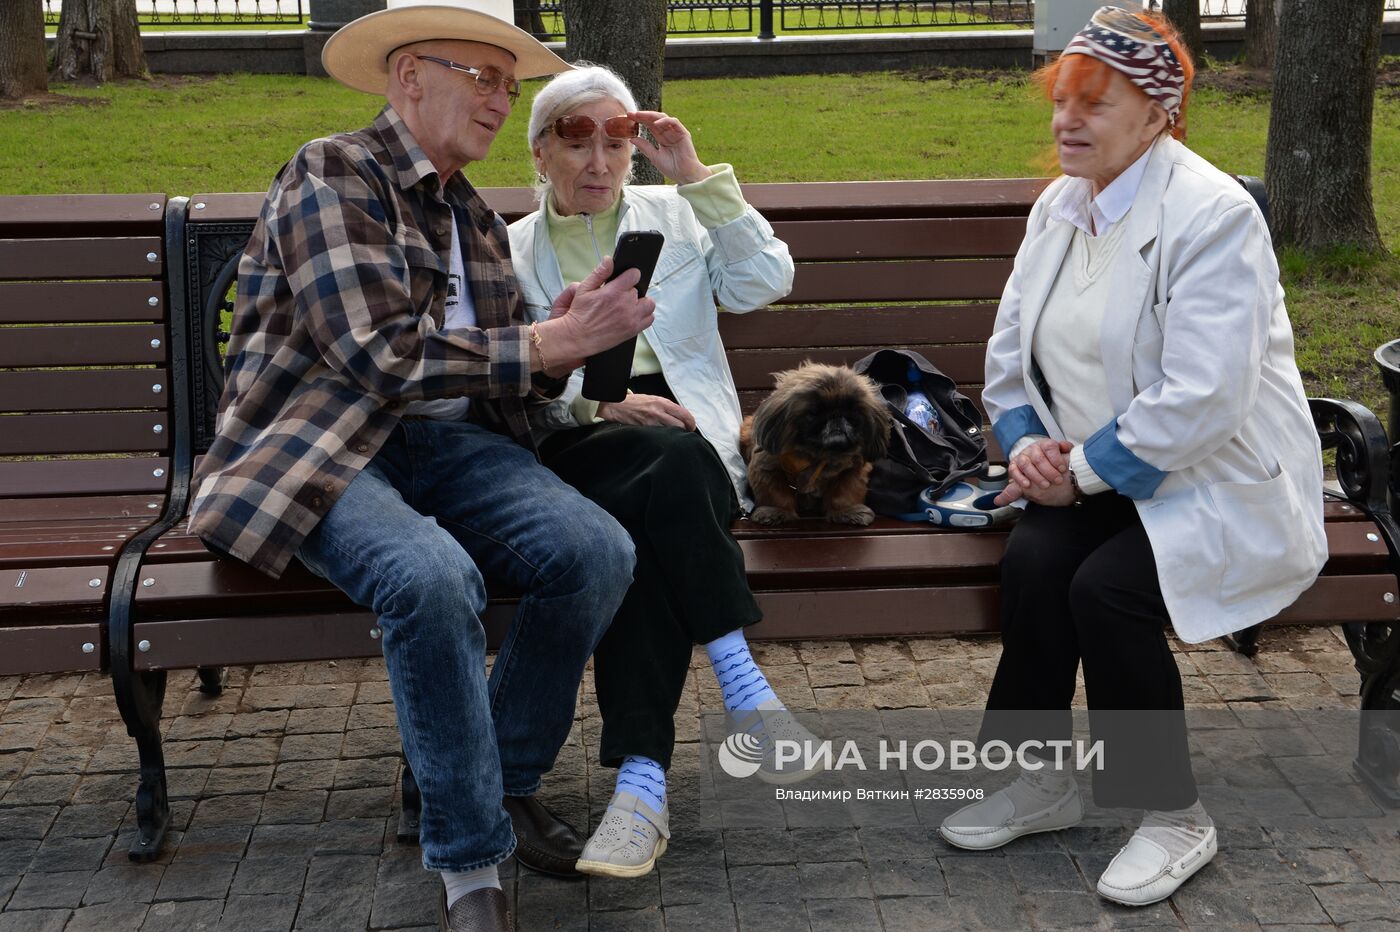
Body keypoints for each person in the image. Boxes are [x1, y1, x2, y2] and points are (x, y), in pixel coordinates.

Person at [187, 3, 659, 929]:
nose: (499, 102)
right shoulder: (332, 172)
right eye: (480, 77)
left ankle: (494, 779)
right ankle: (471, 865)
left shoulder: (472, 214)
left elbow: (496, 372)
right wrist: (541, 338)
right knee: (433, 578)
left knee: (597, 551)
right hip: (322, 447)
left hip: (448, 446)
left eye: (507, 85)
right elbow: (378, 358)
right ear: (410, 78)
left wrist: (564, 340)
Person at [937, 7, 1326, 907]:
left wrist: (1075, 473)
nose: (1068, 121)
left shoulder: (1213, 214)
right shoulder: (1060, 206)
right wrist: (1028, 448)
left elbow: (1206, 397)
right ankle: (1042, 781)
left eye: (1095, 104)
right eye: (1062, 101)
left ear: (1158, 115)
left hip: (1217, 480)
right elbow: (1009, 356)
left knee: (1103, 590)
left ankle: (1173, 813)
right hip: (1102, 475)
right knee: (1035, 562)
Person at [507, 65, 812, 878]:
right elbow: (511, 385)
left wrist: (698, 178)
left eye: (617, 142)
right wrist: (598, 407)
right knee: (665, 467)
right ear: (541, 154)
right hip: (578, 440)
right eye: (578, 143)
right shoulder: (509, 252)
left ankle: (641, 792)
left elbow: (764, 281)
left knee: (646, 528)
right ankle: (744, 685)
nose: (600, 161)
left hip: (689, 436)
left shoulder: (678, 214)